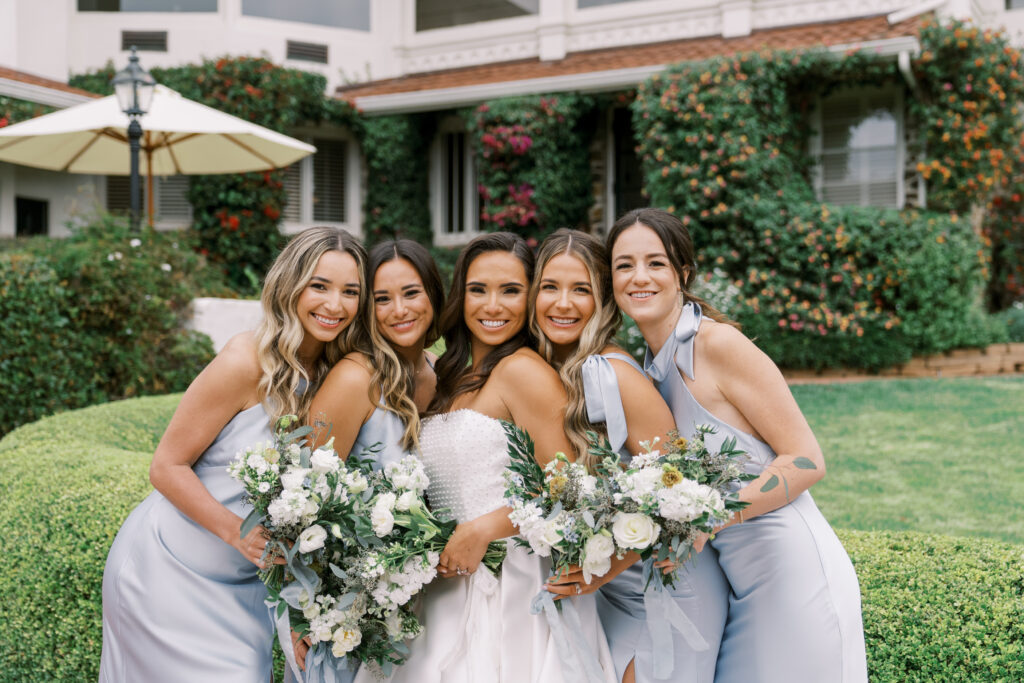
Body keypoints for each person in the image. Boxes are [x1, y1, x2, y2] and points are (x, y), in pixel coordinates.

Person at [606, 208, 867, 682]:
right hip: (735, 586)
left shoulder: (718, 345)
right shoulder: (647, 368)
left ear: (682, 273)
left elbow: (807, 460)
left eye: (656, 263)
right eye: (624, 265)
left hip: (791, 575)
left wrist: (711, 515)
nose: (638, 277)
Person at [99, 227, 368, 683]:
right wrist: (236, 533)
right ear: (289, 285)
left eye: (351, 292)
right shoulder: (246, 360)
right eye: (319, 286)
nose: (334, 304)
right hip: (167, 572)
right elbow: (166, 466)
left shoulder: (340, 375)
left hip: (247, 588)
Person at [365, 231, 616, 683]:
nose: (492, 306)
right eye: (478, 290)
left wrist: (486, 527)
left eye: (511, 291)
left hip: (512, 586)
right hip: (439, 585)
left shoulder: (522, 371)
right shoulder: (444, 374)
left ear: (530, 298)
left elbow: (574, 486)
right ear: (461, 294)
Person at [533, 228, 728, 683]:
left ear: (602, 298)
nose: (563, 303)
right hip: (601, 590)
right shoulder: (545, 371)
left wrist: (602, 568)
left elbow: (679, 490)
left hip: (661, 587)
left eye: (580, 290)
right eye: (550, 287)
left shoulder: (614, 373)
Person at [289, 239, 445, 681]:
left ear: (433, 294)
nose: (399, 310)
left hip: (410, 600)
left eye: (411, 293)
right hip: (344, 609)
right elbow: (302, 497)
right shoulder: (354, 377)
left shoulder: (437, 371)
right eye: (381, 299)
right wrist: (307, 610)